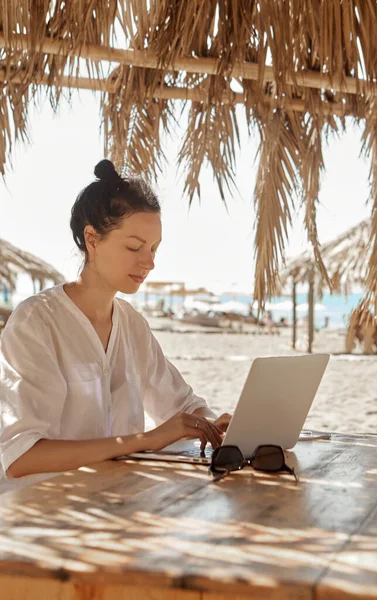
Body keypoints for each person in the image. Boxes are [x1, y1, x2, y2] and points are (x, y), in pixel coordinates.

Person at [0, 160, 231, 488]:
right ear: (92, 240)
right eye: (134, 247)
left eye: (154, 249)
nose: (149, 262)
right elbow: (21, 456)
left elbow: (180, 406)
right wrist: (144, 440)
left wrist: (216, 423)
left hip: (123, 502)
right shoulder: (36, 323)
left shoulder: (133, 325)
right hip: (48, 515)